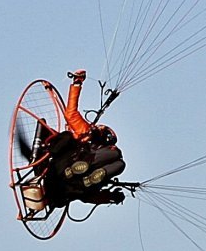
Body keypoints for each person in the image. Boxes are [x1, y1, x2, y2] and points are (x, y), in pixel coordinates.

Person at [24, 70, 128, 214]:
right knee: (120, 163)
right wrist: (111, 197)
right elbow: (92, 198)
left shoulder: (85, 132)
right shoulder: (100, 143)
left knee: (108, 160)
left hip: (64, 172)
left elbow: (71, 113)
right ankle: (91, 175)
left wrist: (77, 83)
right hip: (78, 184)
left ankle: (79, 171)